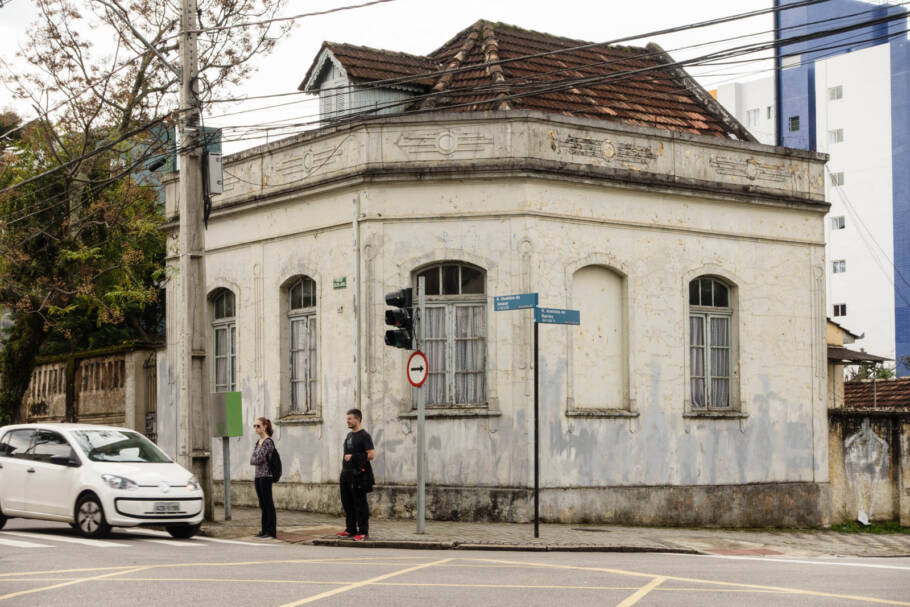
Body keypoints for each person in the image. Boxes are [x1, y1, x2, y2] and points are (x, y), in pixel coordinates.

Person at [336, 408, 375, 541]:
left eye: (349, 419)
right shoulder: (349, 435)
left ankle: (363, 532)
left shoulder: (365, 436)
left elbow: (371, 455)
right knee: (347, 503)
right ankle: (350, 529)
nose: (347, 421)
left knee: (360, 504)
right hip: (346, 475)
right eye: (347, 419)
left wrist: (353, 457)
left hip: (359, 476)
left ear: (357, 419)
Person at [250, 417, 277, 539]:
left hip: (266, 476)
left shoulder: (268, 442)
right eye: (255, 426)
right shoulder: (258, 442)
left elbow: (258, 458)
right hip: (258, 476)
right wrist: (256, 458)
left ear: (265, 426)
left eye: (258, 426)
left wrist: (257, 458)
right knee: (262, 504)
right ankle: (264, 530)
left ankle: (271, 531)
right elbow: (252, 459)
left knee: (268, 503)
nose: (256, 428)